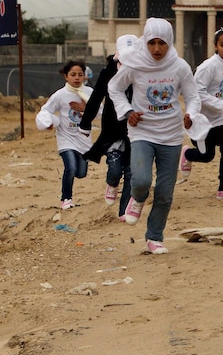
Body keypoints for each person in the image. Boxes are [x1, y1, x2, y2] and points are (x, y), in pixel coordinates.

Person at [108, 18, 201, 255]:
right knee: (140, 180)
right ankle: (137, 199)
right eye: (152, 43)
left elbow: (192, 96)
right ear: (145, 42)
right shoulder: (134, 64)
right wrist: (127, 111)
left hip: (171, 135)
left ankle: (154, 237)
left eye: (162, 43)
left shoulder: (179, 66)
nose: (157, 49)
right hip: (142, 132)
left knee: (165, 191)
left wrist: (190, 113)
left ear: (170, 42)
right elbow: (115, 88)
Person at [179, 27, 223, 200]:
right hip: (204, 118)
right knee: (207, 156)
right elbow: (197, 93)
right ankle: (186, 154)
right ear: (216, 46)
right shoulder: (208, 67)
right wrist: (222, 105)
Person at [78, 35, 136, 221]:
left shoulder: (143, 72)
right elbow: (95, 99)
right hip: (112, 130)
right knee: (115, 169)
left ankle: (124, 211)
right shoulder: (108, 73)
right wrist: (85, 124)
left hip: (135, 131)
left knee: (131, 171)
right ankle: (111, 183)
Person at [35, 59, 94, 210]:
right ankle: (66, 198)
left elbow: (102, 112)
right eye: (73, 74)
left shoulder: (90, 94)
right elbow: (46, 110)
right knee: (71, 168)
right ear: (66, 76)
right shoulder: (60, 95)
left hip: (84, 140)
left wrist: (84, 108)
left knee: (81, 173)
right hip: (66, 139)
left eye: (80, 74)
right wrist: (47, 122)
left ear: (84, 77)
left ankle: (70, 190)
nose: (76, 78)